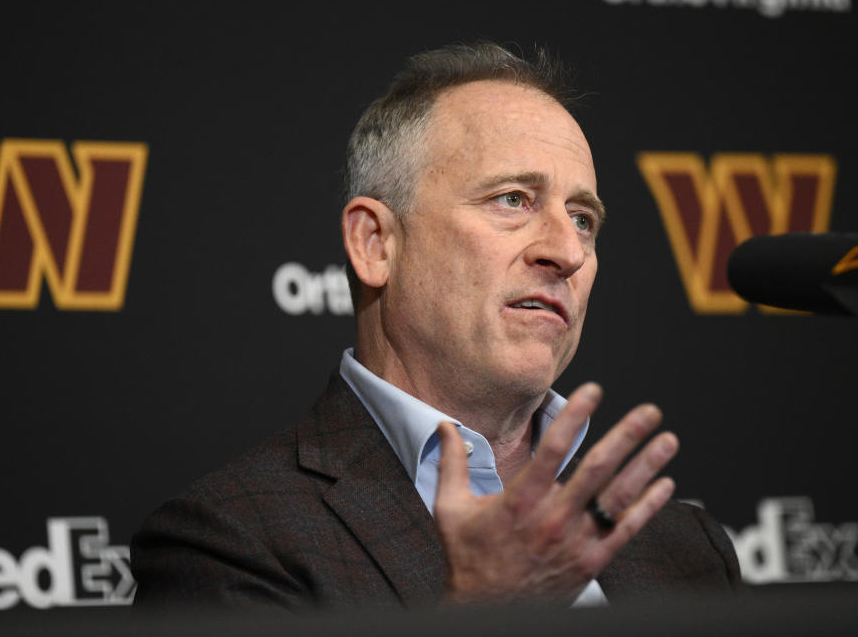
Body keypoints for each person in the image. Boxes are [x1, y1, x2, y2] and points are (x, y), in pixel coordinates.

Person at [131, 41, 740, 610]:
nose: (567, 252)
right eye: (513, 200)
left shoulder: (687, 549)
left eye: (582, 219)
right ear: (375, 244)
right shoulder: (229, 541)